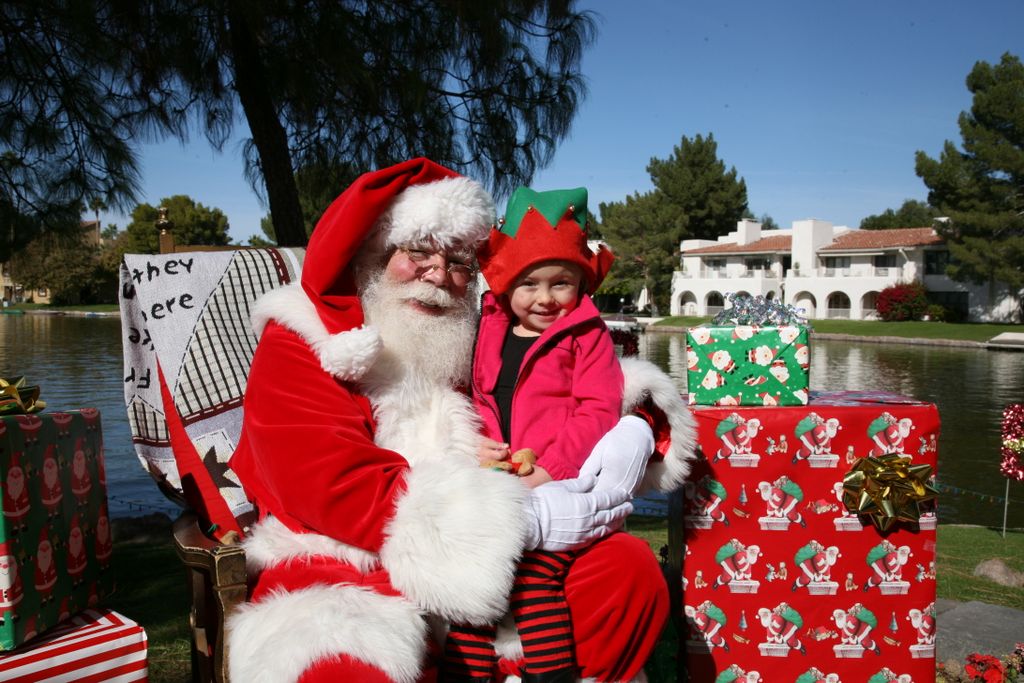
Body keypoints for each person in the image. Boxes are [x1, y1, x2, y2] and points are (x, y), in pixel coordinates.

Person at [226, 158, 695, 682]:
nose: (438, 274)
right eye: (418, 252)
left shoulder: (461, 338)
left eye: (458, 263)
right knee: (343, 661)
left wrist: (636, 417)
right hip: (344, 556)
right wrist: (515, 523)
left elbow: (551, 391)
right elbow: (328, 481)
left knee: (626, 573)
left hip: (494, 543)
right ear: (373, 253)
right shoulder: (304, 338)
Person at [442, 186, 633, 682]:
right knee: (473, 579)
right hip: (494, 477)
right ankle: (466, 674)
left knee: (532, 581)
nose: (545, 298)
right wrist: (469, 446)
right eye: (530, 284)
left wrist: (552, 470)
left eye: (560, 283)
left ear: (581, 285)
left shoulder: (586, 335)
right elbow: (473, 395)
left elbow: (597, 410)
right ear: (507, 284)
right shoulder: (489, 328)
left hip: (554, 486)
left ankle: (552, 675)